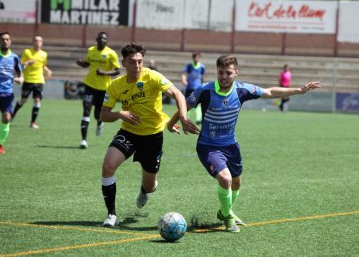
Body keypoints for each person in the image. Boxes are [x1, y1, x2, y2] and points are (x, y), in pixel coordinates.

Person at [167, 54, 320, 232]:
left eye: (228, 73)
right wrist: (172, 124)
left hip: (231, 145)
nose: (224, 76)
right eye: (221, 72)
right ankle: (228, 217)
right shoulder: (205, 90)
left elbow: (270, 92)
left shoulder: (242, 90)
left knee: (237, 183)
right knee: (226, 179)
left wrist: (299, 90)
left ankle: (224, 211)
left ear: (236, 73)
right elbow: (184, 105)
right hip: (208, 146)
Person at [99, 43, 198, 227]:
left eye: (140, 61)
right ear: (123, 63)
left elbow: (177, 93)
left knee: (150, 186)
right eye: (132, 62)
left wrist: (183, 117)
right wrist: (120, 114)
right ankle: (111, 214)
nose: (137, 66)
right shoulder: (116, 85)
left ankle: (144, 190)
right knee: (107, 166)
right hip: (129, 132)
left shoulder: (152, 77)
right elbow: (103, 114)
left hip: (153, 136)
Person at [76, 31, 120, 149]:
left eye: (104, 39)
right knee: (86, 109)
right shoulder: (91, 50)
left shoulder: (111, 54)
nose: (102, 40)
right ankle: (84, 140)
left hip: (104, 89)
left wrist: (104, 73)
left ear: (107, 41)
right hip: (89, 86)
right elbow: (87, 63)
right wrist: (81, 63)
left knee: (97, 115)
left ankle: (100, 122)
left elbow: (117, 71)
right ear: (96, 39)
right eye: (100, 38)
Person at [12, 35, 52, 128]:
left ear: (42, 43)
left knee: (37, 100)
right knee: (23, 100)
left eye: (39, 41)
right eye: (35, 41)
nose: (37, 42)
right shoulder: (27, 52)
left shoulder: (44, 54)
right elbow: (20, 65)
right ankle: (13, 114)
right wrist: (27, 62)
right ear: (32, 42)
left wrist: (48, 71)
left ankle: (33, 122)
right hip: (28, 80)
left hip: (39, 80)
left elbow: (42, 65)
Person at [0, 32, 23, 154]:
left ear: (10, 41)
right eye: (3, 39)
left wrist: (20, 79)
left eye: (7, 39)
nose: (5, 41)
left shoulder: (14, 57)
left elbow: (20, 73)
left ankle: (0, 144)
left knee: (7, 118)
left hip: (7, 93)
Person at [182, 52, 205, 124]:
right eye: (195, 57)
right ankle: (186, 117)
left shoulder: (202, 67)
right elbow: (184, 74)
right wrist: (184, 80)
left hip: (198, 88)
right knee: (187, 103)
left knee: (198, 104)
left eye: (197, 57)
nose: (196, 59)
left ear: (199, 58)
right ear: (193, 58)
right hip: (189, 87)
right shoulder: (189, 66)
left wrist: (203, 85)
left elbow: (202, 77)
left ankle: (198, 119)